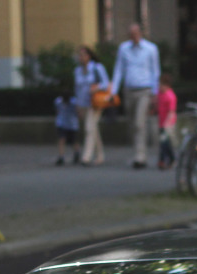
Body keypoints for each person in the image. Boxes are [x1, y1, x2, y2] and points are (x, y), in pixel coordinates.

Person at [109, 23, 161, 168]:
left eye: (136, 33)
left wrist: (154, 93)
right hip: (129, 89)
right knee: (132, 123)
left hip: (144, 90)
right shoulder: (124, 49)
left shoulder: (150, 49)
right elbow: (119, 69)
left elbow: (155, 71)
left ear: (140, 33)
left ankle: (140, 156)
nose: (134, 36)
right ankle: (137, 152)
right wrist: (113, 91)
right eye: (131, 34)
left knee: (140, 123)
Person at [74, 45, 109, 166]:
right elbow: (77, 88)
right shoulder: (77, 71)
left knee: (89, 128)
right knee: (93, 128)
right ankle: (100, 155)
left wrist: (96, 88)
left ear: (89, 56)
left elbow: (105, 82)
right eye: (80, 55)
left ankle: (86, 156)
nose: (81, 57)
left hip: (95, 103)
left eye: (83, 55)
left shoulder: (97, 68)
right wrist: (77, 104)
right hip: (83, 103)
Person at [155, 74, 178, 169]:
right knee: (164, 143)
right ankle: (170, 159)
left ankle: (163, 160)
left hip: (168, 123)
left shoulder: (170, 96)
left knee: (164, 143)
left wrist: (167, 123)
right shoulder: (160, 94)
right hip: (161, 122)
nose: (159, 86)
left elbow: (171, 111)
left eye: (161, 84)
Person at [53, 91, 80, 165]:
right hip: (62, 123)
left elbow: (78, 112)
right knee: (62, 139)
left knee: (74, 140)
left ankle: (76, 153)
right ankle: (61, 156)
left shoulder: (74, 102)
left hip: (72, 124)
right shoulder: (58, 102)